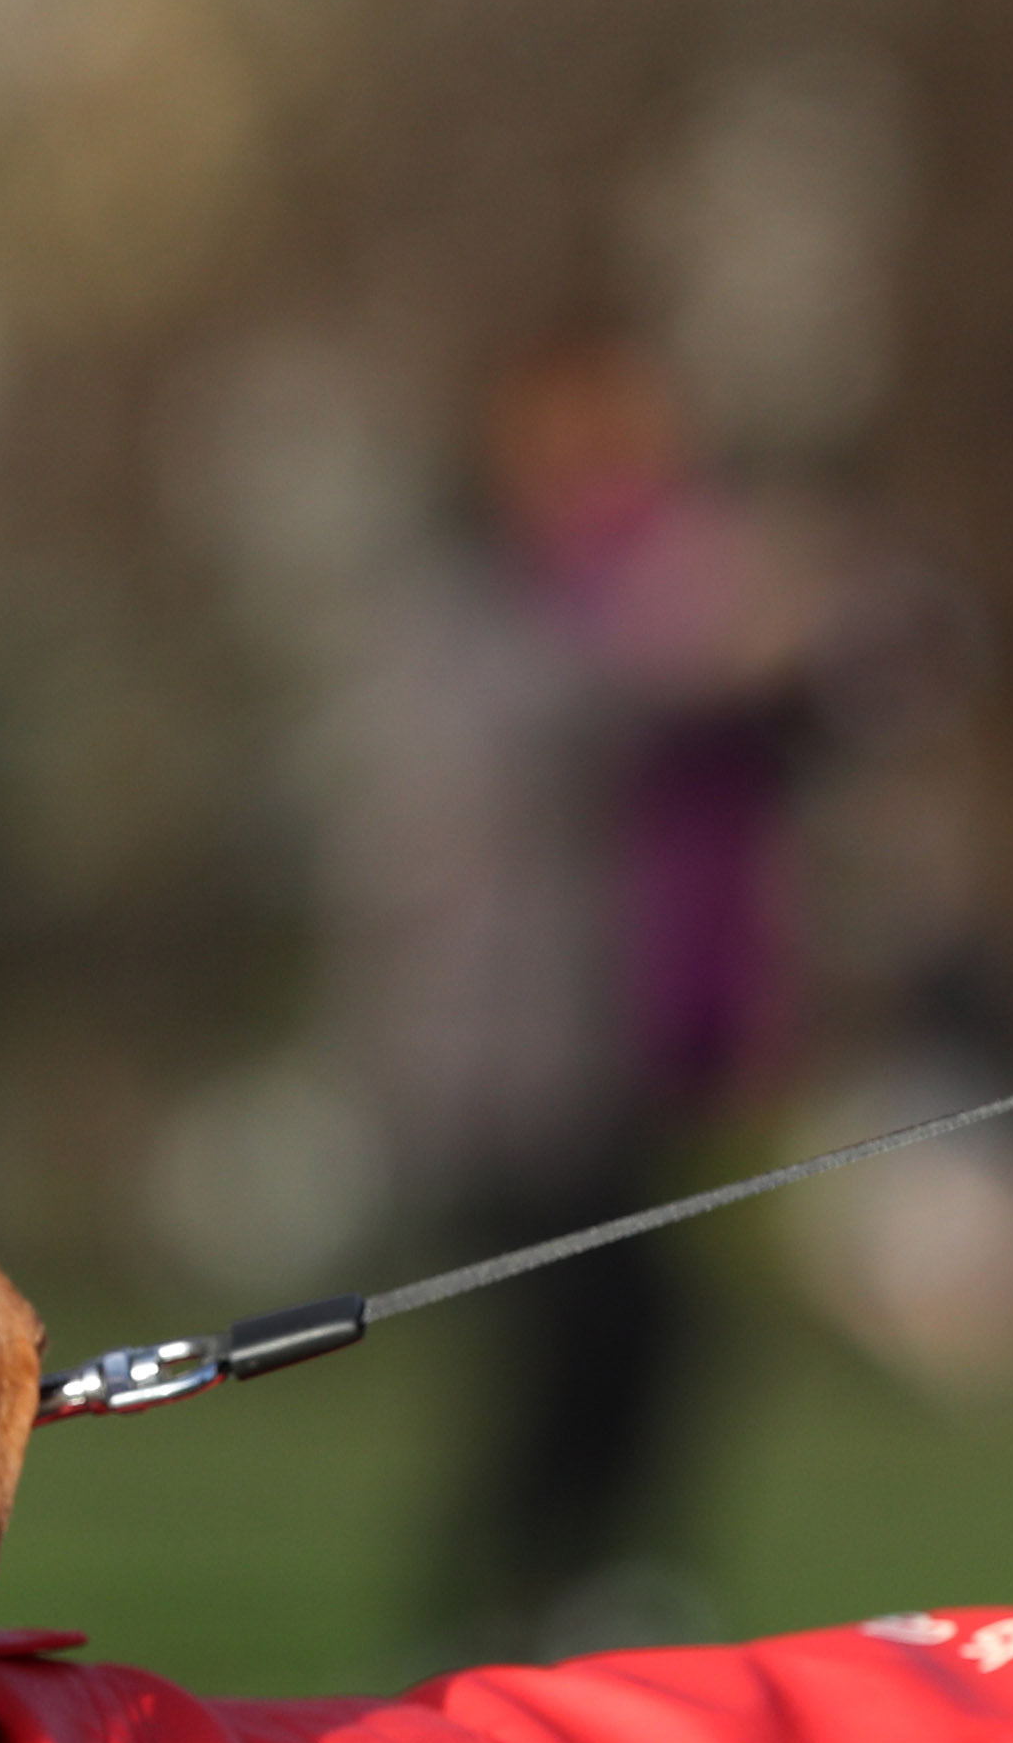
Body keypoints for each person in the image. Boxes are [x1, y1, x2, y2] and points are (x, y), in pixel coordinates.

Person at [315, 339, 889, 1658]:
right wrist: (703, 640)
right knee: (551, 1365)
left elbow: (826, 691)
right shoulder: (485, 608)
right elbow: (544, 726)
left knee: (662, 1345)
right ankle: (485, 1622)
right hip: (495, 1058)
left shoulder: (654, 595)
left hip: (640, 1055)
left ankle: (597, 1597)